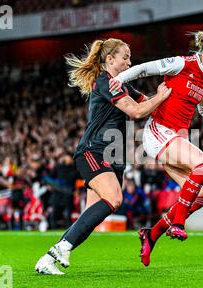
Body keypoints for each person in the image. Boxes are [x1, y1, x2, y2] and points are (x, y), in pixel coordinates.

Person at [34, 38, 172, 275]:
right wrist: (160, 96)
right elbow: (137, 111)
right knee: (114, 199)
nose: (130, 62)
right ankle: (62, 248)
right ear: (110, 59)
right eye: (125, 57)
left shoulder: (123, 86)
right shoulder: (106, 81)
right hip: (94, 151)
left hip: (113, 155)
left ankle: (48, 258)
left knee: (92, 213)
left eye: (130, 57)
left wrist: (172, 93)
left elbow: (148, 104)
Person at [110, 31, 203, 266]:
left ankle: (151, 234)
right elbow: (143, 69)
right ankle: (178, 223)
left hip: (175, 137)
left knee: (200, 197)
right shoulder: (182, 63)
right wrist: (119, 81)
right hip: (157, 132)